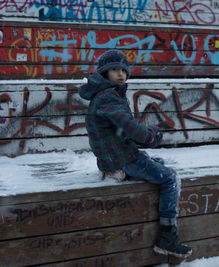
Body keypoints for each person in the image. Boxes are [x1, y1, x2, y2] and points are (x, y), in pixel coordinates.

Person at [79, 49, 192, 258]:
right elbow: (130, 127)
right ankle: (167, 236)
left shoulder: (107, 94)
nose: (121, 74)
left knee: (157, 162)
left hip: (114, 156)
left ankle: (118, 173)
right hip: (121, 157)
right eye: (114, 70)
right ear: (105, 74)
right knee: (170, 178)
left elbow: (121, 129)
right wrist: (151, 135)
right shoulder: (108, 97)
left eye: (123, 70)